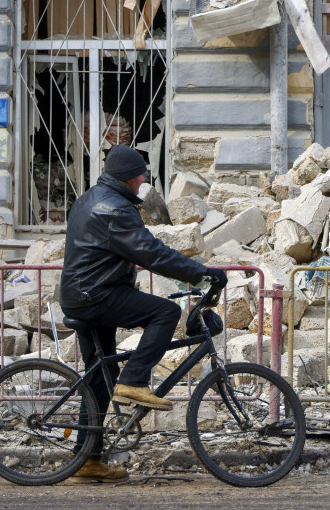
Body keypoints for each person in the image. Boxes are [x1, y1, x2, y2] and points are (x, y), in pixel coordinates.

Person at [58, 144, 228, 483]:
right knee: (164, 312)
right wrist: (201, 272)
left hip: (82, 294)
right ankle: (134, 382)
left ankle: (87, 460)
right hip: (96, 296)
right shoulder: (115, 209)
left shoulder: (90, 198)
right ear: (132, 177)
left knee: (97, 377)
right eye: (142, 176)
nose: (143, 182)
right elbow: (151, 253)